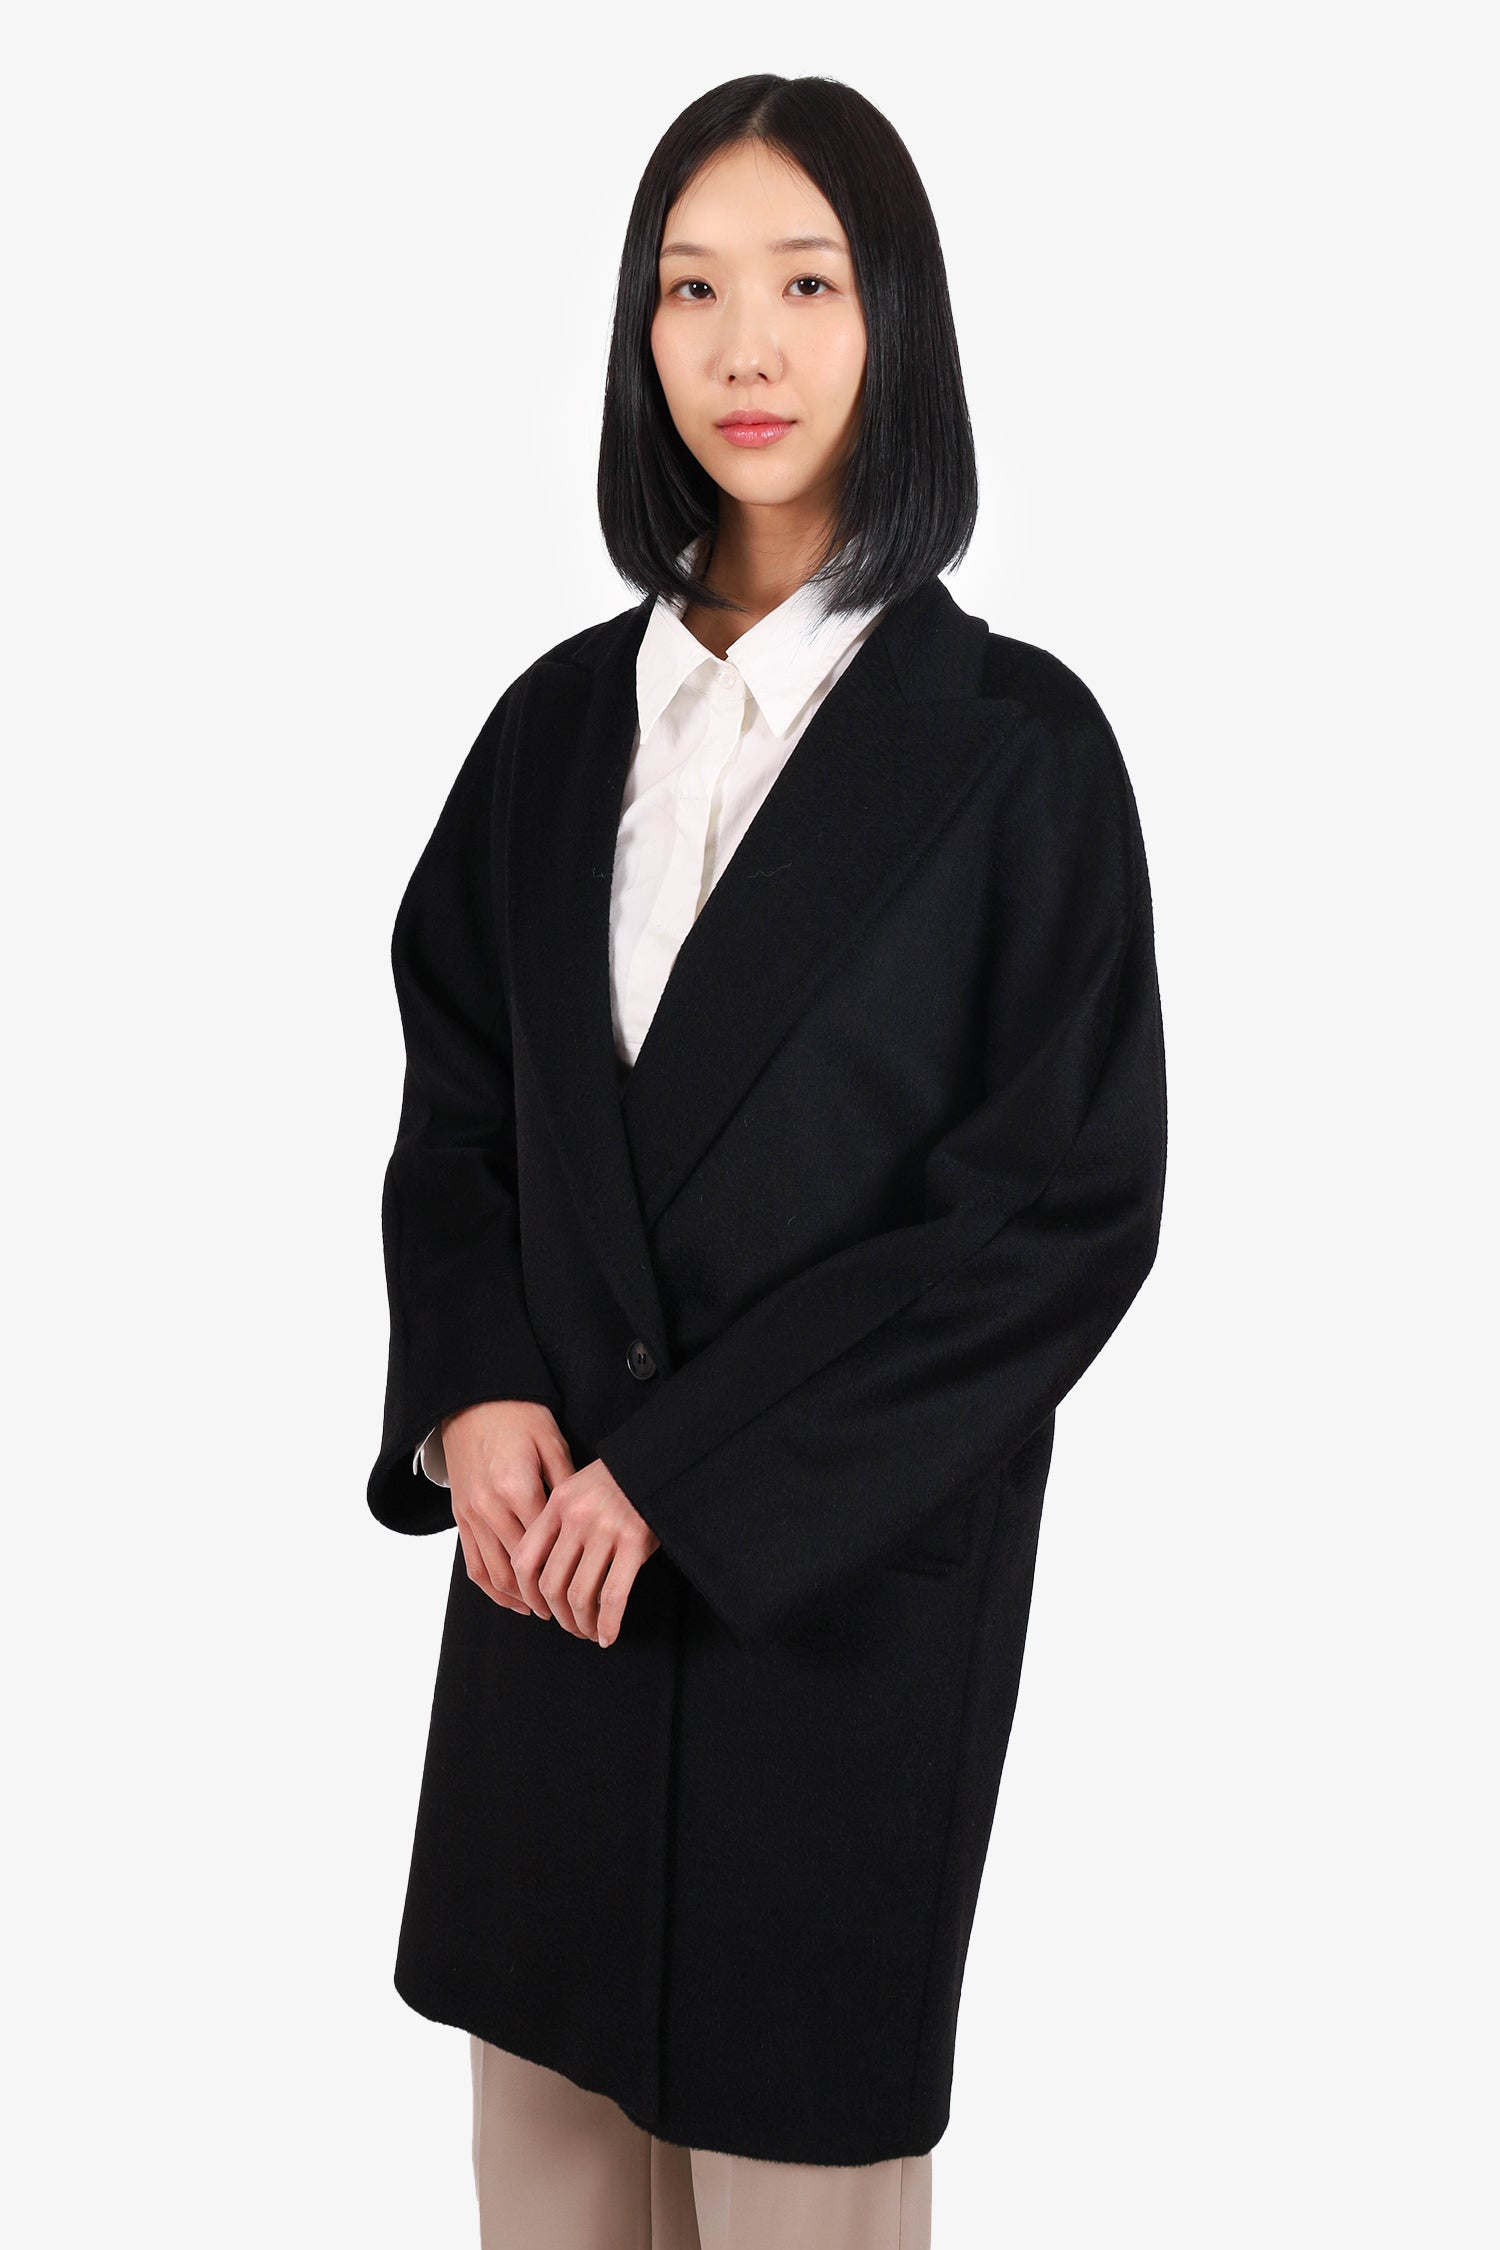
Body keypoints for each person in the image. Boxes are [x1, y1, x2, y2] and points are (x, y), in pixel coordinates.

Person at [367, 72, 1168, 2250]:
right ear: (638, 335)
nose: (746, 347)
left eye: (806, 285)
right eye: (690, 289)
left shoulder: (1016, 754)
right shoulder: (553, 733)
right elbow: (459, 1102)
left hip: (826, 1627)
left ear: (895, 318)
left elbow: (1052, 1217)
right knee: (545, 2195)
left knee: (799, 2196)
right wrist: (478, 1391)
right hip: (541, 1605)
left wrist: (687, 1480)